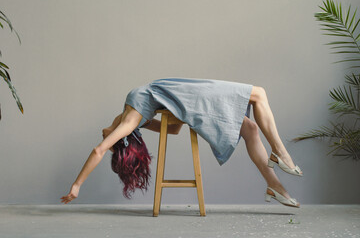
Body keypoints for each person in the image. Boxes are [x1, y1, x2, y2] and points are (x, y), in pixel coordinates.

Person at [61, 77, 303, 208]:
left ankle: (275, 186)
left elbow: (174, 129)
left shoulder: (126, 119)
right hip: (189, 96)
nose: (103, 135)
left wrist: (175, 114)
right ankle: (281, 153)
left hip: (181, 96)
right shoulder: (128, 123)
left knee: (250, 128)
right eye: (111, 141)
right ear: (121, 140)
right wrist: (77, 185)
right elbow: (98, 150)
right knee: (258, 93)